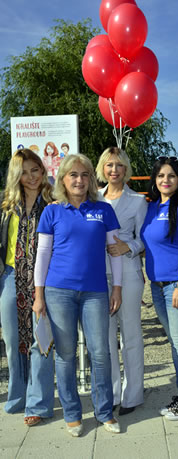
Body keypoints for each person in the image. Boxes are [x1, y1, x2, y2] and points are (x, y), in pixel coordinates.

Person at [32, 154, 122, 437]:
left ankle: (104, 412)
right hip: (59, 292)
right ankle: (72, 413)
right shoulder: (52, 211)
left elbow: (115, 252)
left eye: (84, 175)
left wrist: (116, 287)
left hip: (95, 291)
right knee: (66, 354)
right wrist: (39, 294)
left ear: (91, 180)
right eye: (73, 175)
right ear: (63, 179)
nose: (79, 180)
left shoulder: (104, 209)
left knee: (100, 352)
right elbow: (42, 254)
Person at [140, 156, 178, 421]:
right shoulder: (151, 207)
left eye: (172, 176)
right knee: (175, 343)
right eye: (161, 176)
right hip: (157, 285)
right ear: (155, 179)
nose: (166, 180)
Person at [0, 148, 55, 426]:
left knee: (40, 341)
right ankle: (19, 396)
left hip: (44, 280)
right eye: (24, 172)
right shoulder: (6, 206)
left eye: (35, 170)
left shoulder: (54, 202)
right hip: (11, 277)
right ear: (16, 175)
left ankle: (39, 403)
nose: (30, 176)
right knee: (13, 341)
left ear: (43, 171)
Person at [96, 147, 148, 416]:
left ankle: (133, 394)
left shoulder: (138, 201)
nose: (114, 170)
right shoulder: (93, 198)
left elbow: (145, 239)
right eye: (109, 165)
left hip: (128, 273)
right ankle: (113, 393)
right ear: (102, 169)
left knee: (130, 335)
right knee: (105, 338)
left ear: (126, 170)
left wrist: (127, 247)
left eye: (119, 165)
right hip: (97, 275)